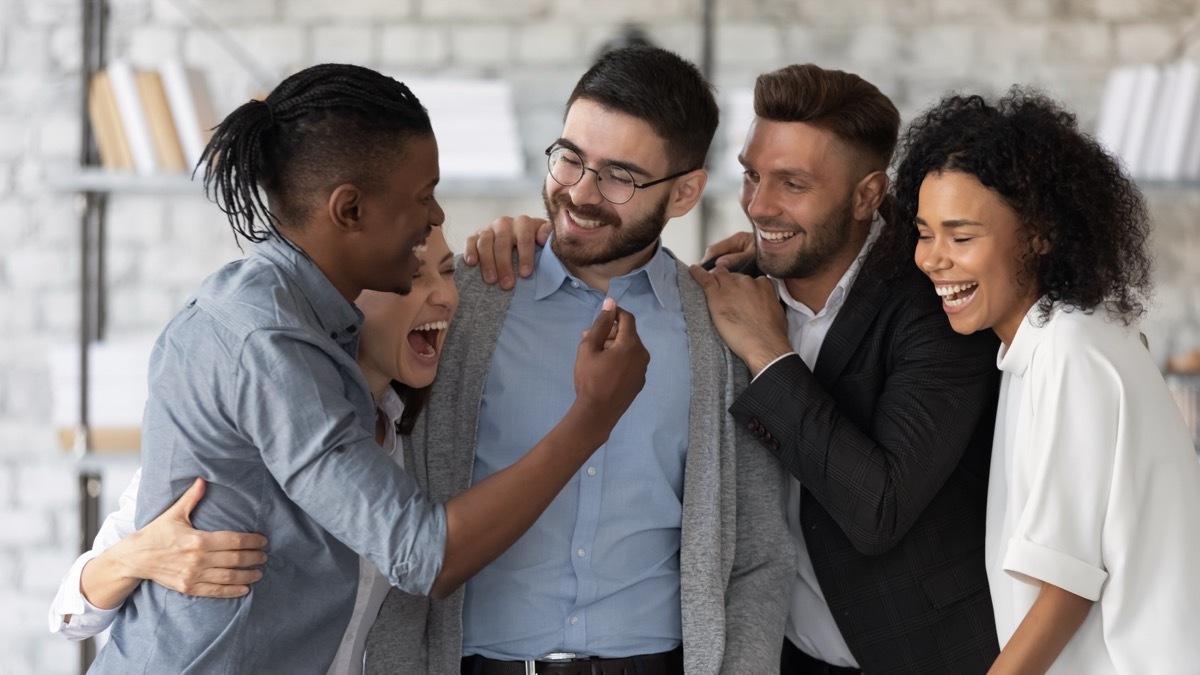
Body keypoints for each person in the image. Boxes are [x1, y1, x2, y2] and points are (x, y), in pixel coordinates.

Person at [86, 63, 650, 674]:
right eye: (423, 196)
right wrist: (593, 416)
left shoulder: (306, 320)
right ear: (349, 210)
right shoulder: (266, 343)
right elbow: (421, 554)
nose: (436, 218)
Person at [474, 63, 1002, 674]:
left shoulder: (935, 309)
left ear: (866, 196)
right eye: (753, 176)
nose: (759, 205)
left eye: (793, 184)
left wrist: (769, 357)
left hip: (921, 656)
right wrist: (532, 237)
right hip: (789, 656)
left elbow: (877, 509)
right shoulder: (733, 288)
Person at [365, 46, 794, 675]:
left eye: (619, 176)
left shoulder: (720, 329)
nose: (580, 194)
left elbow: (758, 551)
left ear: (684, 193)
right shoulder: (465, 304)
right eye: (570, 158)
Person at [51, 228, 460, 674]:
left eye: (448, 272)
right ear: (348, 300)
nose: (444, 295)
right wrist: (136, 556)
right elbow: (70, 615)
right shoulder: (246, 420)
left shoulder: (416, 446)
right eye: (415, 277)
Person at [894, 89, 1200, 674]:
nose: (932, 258)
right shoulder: (1050, 342)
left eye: (961, 237)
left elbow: (1066, 589)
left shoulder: (1068, 351)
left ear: (1039, 235)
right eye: (924, 232)